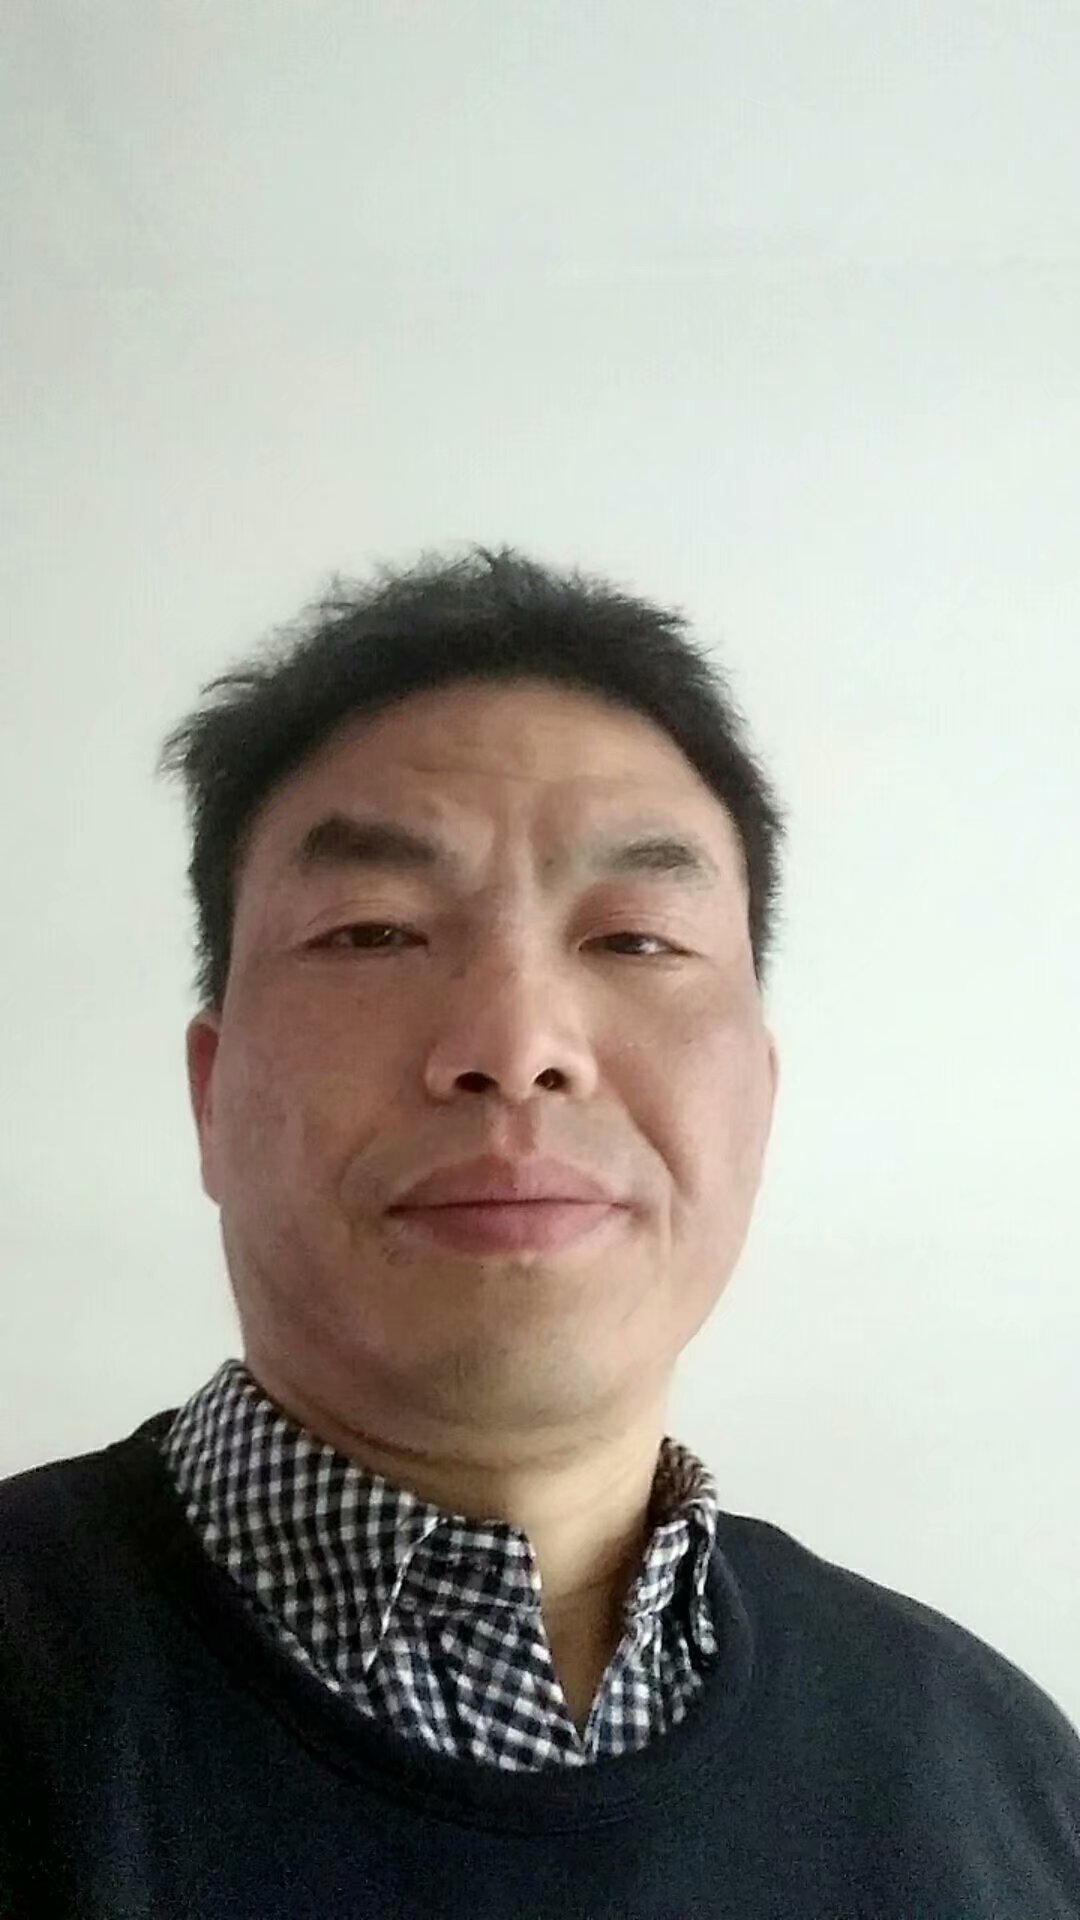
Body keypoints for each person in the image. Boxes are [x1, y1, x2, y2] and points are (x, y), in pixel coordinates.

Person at [1, 546, 1077, 1918]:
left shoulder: (1000, 1772)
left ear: (759, 1097)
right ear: (211, 1096)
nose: (516, 1046)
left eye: (636, 939)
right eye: (374, 933)